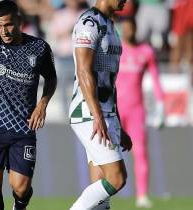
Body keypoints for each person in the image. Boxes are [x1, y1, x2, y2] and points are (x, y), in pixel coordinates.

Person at [0, 0, 57, 209]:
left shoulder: (39, 48)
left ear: (19, 21)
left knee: (21, 187)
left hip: (24, 127)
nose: (3, 31)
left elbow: (51, 79)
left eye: (8, 24)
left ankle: (20, 204)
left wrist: (42, 104)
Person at [68, 0, 133, 209]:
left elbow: (109, 82)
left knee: (101, 193)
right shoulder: (88, 23)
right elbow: (84, 71)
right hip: (88, 112)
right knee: (117, 178)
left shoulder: (111, 25)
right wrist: (97, 116)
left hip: (107, 113)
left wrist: (118, 124)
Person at [116, 17, 165, 208]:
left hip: (137, 111)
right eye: (124, 28)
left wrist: (161, 107)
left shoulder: (145, 52)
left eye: (130, 28)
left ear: (135, 29)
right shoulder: (115, 51)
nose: (127, 32)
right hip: (116, 111)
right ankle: (103, 193)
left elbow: (156, 79)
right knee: (106, 153)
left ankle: (142, 195)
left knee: (141, 153)